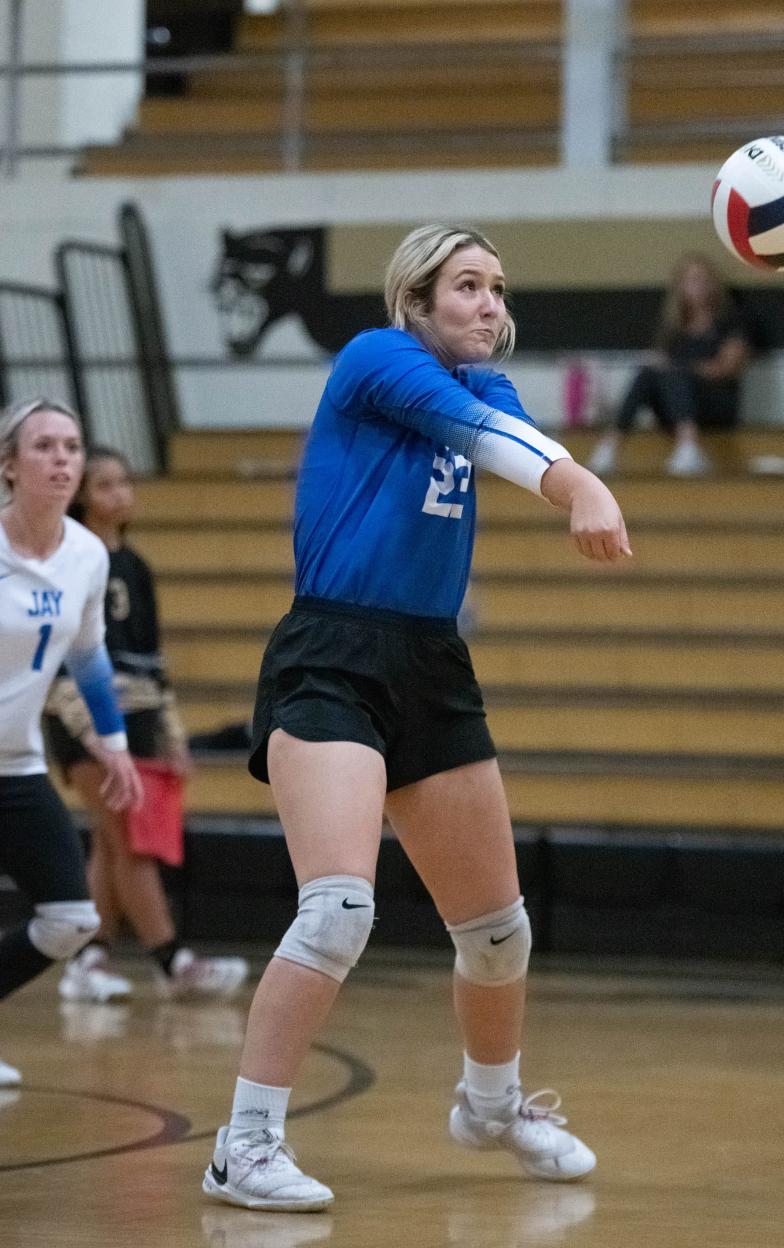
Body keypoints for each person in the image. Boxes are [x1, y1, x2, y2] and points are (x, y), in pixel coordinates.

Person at [201, 224, 632, 1212]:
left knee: (498, 934)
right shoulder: (377, 358)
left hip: (432, 662)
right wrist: (585, 484)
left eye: (497, 288)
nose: (488, 303)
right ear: (418, 298)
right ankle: (245, 1143)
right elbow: (494, 446)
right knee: (340, 907)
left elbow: (508, 435)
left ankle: (492, 1106)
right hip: (335, 653)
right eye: (467, 286)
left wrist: (565, 473)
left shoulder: (489, 386)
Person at [43, 447, 248, 1002]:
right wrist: (86, 730)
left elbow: (154, 664)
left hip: (136, 719)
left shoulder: (136, 567)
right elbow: (58, 652)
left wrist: (172, 734)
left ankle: (87, 961)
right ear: (83, 496)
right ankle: (172, 958)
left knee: (111, 845)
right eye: (105, 485)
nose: (119, 494)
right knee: (128, 839)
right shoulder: (69, 562)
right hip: (80, 716)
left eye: (124, 483)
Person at [0, 398, 142, 1086]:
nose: (61, 459)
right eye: (44, 446)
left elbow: (89, 656)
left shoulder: (87, 555)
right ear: (9, 465)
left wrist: (111, 741)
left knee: (69, 919)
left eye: (72, 446)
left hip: (19, 764)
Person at [588, 252, 752, 477]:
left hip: (715, 404)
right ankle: (610, 445)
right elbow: (660, 367)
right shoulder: (674, 329)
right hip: (676, 408)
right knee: (648, 372)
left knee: (672, 372)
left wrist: (681, 368)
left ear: (714, 284)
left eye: (703, 280)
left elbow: (727, 368)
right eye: (691, 280)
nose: (698, 287)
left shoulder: (730, 322)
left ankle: (689, 446)